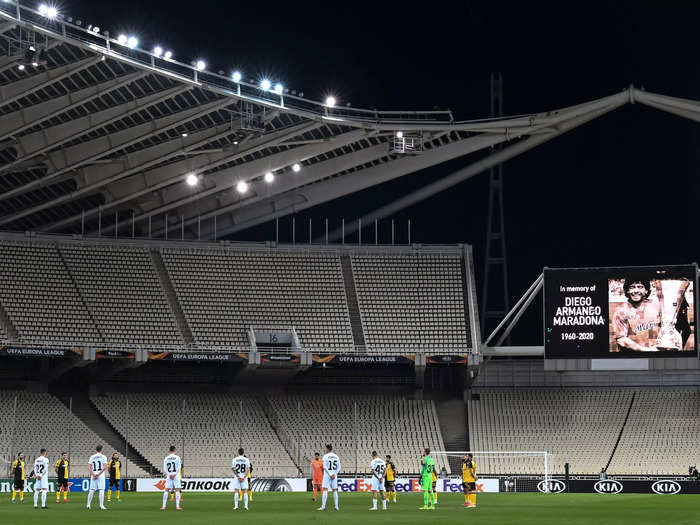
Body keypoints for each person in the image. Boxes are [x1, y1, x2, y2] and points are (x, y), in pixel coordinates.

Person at [613, 277, 663, 352]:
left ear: (646, 290)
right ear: (627, 291)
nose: (636, 290)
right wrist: (647, 350)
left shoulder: (657, 305)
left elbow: (666, 327)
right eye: (632, 287)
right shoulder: (621, 310)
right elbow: (621, 340)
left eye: (640, 287)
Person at [318, 444, 340, 511]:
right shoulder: (336, 456)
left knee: (325, 489)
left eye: (325, 448)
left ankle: (323, 506)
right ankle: (336, 506)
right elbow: (339, 467)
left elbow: (325, 467)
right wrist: (334, 474)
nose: (325, 450)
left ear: (327, 449)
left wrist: (330, 474)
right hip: (334, 475)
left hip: (327, 475)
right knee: (335, 490)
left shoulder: (325, 456)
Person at [87, 445, 108, 511]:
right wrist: (98, 474)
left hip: (93, 474)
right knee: (101, 490)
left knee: (91, 490)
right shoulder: (103, 457)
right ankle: (101, 505)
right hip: (100, 475)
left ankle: (88, 504)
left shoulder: (92, 457)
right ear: (101, 449)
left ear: (96, 449)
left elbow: (89, 466)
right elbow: (105, 467)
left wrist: (93, 474)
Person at [162, 445, 182, 510]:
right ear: (175, 450)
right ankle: (177, 506)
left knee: (166, 489)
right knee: (177, 489)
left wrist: (169, 474)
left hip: (169, 475)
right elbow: (179, 467)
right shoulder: (177, 457)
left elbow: (164, 468)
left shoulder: (166, 458)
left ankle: (163, 506)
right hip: (176, 475)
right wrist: (175, 474)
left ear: (169, 450)